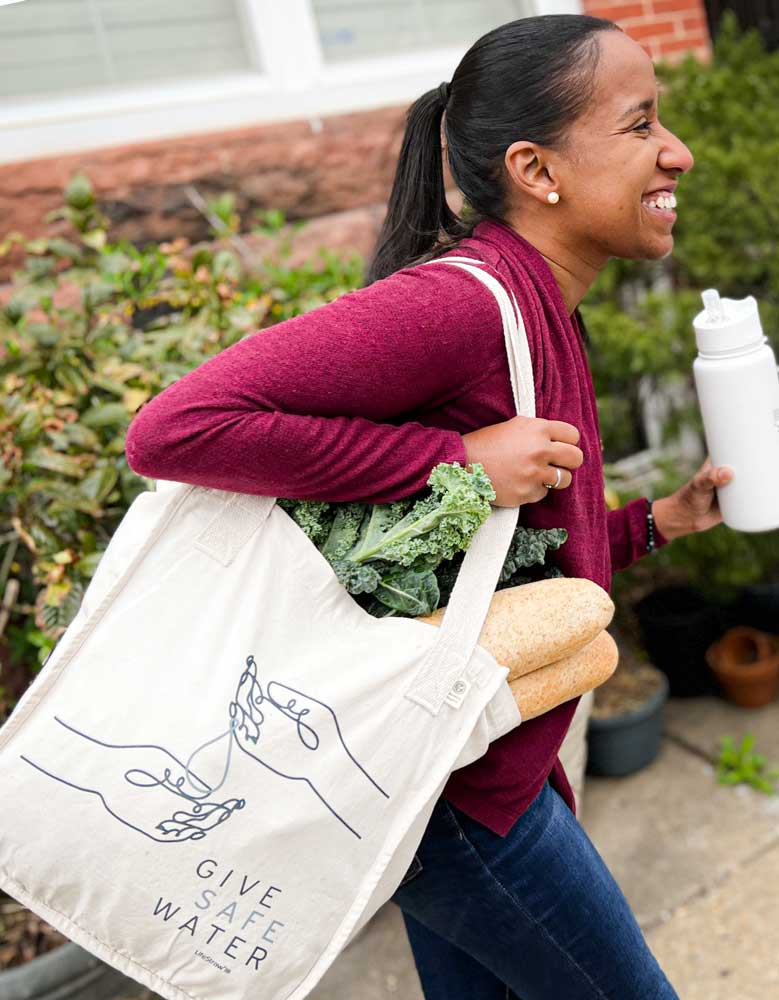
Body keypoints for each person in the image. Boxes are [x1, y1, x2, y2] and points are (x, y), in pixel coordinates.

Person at [125, 14, 733, 998]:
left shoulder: (539, 301)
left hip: (477, 748)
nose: (678, 151)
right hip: (449, 786)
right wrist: (452, 460)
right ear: (537, 170)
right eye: (638, 125)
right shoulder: (461, 304)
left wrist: (657, 518)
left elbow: (513, 551)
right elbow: (174, 428)